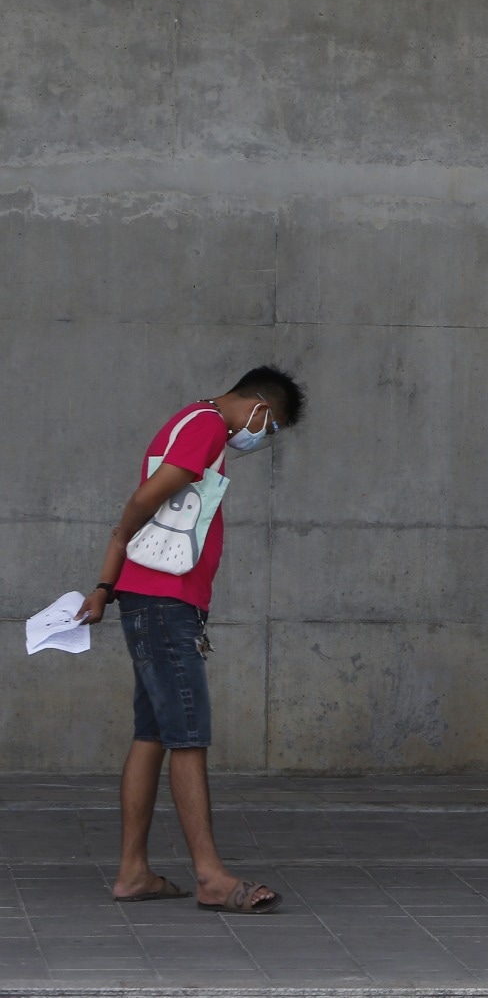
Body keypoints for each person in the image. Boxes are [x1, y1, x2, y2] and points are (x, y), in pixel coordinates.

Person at [72, 366, 306, 914]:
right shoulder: (205, 426)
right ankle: (211, 877)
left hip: (151, 599)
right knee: (187, 732)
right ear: (260, 409)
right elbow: (142, 502)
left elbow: (141, 513)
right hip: (164, 603)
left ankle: (134, 872)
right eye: (271, 429)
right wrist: (114, 556)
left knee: (153, 733)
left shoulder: (190, 420)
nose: (264, 439)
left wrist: (106, 584)